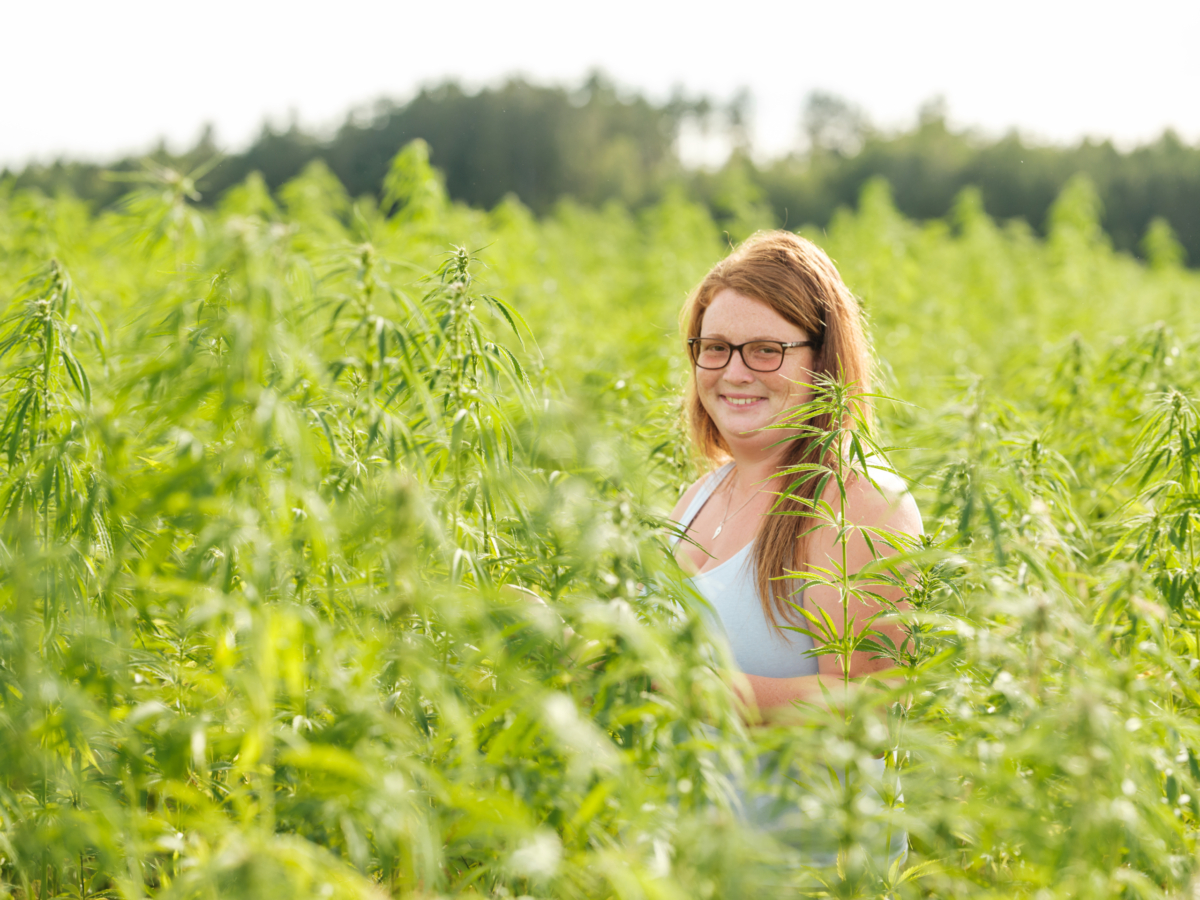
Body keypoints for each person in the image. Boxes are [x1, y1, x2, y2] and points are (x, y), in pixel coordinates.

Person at [668, 230, 921, 865]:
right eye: (716, 348)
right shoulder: (696, 499)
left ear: (821, 358)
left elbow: (869, 701)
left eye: (765, 350)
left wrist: (694, 691)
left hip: (809, 871)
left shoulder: (859, 501)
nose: (733, 372)